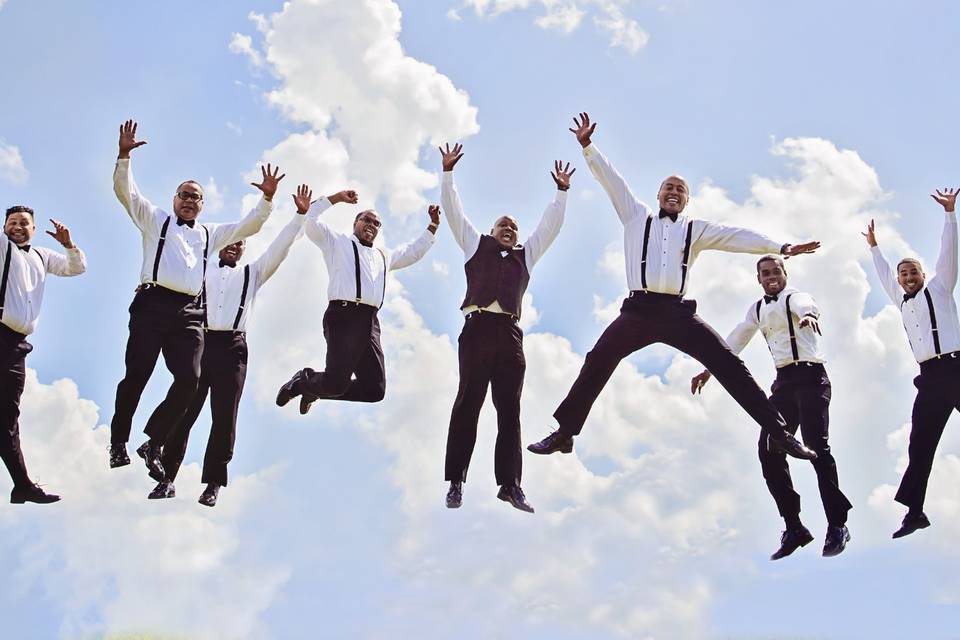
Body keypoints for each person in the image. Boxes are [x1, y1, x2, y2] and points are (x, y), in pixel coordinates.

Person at [528, 112, 821, 462]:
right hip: (638, 312)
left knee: (728, 364)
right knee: (598, 359)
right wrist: (588, 146)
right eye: (669, 187)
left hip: (677, 314)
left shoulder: (694, 229)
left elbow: (735, 236)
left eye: (681, 190)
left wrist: (780, 247)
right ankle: (565, 432)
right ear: (658, 194)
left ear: (686, 201)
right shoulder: (636, 217)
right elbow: (612, 180)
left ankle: (780, 432)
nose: (674, 192)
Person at [108, 119, 280, 483]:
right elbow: (128, 194)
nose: (188, 201)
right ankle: (118, 441)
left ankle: (153, 441)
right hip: (152, 306)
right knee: (137, 375)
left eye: (195, 197)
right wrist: (124, 157)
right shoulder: (156, 221)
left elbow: (248, 226)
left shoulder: (208, 234)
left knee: (189, 379)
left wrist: (266, 199)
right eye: (183, 195)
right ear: (174, 200)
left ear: (202, 205)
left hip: (187, 313)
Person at [149, 184, 316, 506]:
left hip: (233, 350)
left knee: (225, 417)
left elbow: (279, 248)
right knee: (185, 412)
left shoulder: (253, 274)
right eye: (231, 242)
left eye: (240, 245)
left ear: (243, 251)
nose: (234, 247)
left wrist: (299, 216)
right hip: (201, 341)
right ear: (221, 246)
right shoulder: (202, 269)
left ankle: (213, 483)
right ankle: (167, 478)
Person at [690, 255, 852, 559]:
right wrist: (709, 368)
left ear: (784, 274)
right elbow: (734, 340)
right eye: (765, 273)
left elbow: (807, 304)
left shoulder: (796, 297)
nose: (771, 276)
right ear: (759, 278)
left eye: (776, 271)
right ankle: (794, 526)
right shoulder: (757, 309)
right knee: (769, 449)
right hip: (784, 384)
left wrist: (810, 316)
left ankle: (837, 524)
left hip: (812, 378)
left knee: (817, 448)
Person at [440, 143, 572, 513]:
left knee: (509, 410)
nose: (510, 229)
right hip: (477, 328)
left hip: (510, 335)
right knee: (468, 402)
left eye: (514, 227)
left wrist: (561, 193)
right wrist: (448, 174)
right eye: (503, 225)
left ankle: (510, 484)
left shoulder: (524, 257)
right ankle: (455, 481)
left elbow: (550, 228)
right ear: (491, 230)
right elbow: (454, 212)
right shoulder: (474, 245)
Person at [275, 192, 441, 413]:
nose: (371, 225)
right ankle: (301, 381)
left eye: (376, 223)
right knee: (335, 383)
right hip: (342, 317)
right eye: (366, 220)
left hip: (370, 323)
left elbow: (412, 252)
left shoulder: (383, 255)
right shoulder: (336, 242)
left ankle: (313, 389)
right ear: (355, 222)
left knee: (374, 391)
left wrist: (433, 226)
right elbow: (311, 221)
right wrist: (336, 198)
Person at [864, 186, 959, 539]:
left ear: (923, 273)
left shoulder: (940, 288)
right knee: (919, 445)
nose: (906, 276)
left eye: (913, 271)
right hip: (930, 379)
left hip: (956, 368)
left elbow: (949, 255)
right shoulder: (901, 301)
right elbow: (884, 275)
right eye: (903, 274)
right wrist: (874, 248)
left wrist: (950, 214)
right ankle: (914, 512)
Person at [1, 208, 86, 503]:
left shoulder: (41, 256)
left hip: (17, 347)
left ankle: (22, 485)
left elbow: (76, 268)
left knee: (7, 419)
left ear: (34, 228)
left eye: (24, 223)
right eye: (12, 222)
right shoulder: (2, 249)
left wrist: (68, 244)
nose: (17, 227)